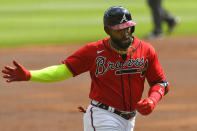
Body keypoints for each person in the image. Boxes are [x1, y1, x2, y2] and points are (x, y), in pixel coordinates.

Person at [2, 6, 170, 131]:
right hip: (103, 117)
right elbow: (62, 71)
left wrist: (152, 100)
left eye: (128, 28)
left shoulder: (146, 50)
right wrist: (30, 75)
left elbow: (161, 83)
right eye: (119, 30)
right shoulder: (94, 51)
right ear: (107, 30)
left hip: (129, 120)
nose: (126, 33)